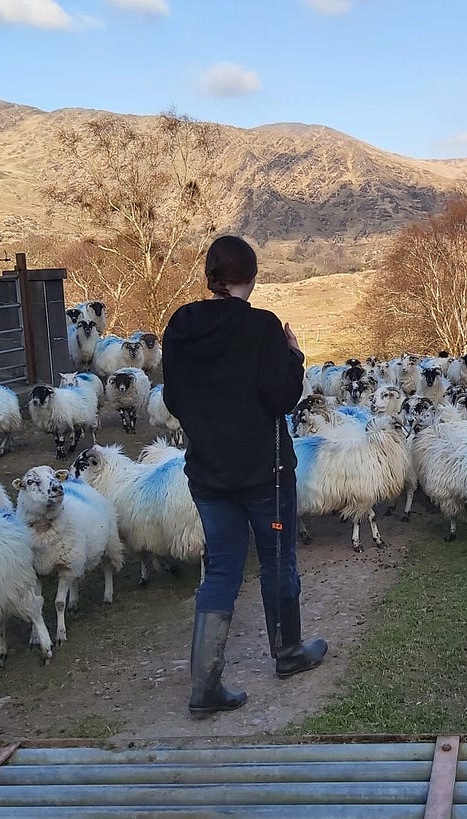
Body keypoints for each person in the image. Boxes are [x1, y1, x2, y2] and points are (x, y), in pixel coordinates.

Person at [162, 235, 327, 716]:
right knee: (277, 561)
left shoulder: (181, 326)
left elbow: (173, 399)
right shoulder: (262, 327)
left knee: (221, 568)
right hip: (264, 475)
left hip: (208, 474)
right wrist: (293, 356)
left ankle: (204, 686)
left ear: (211, 277)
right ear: (251, 276)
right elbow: (281, 398)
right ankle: (288, 652)